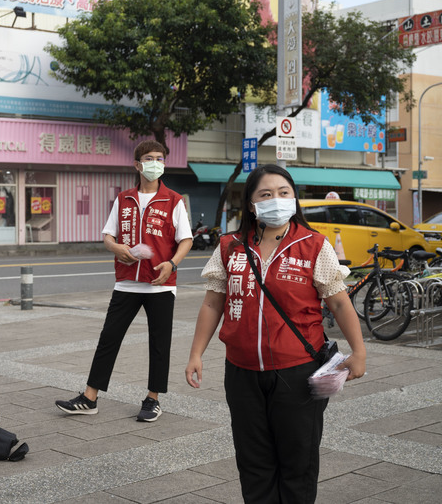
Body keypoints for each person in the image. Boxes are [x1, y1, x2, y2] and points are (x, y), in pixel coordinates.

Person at [184, 164, 366, 503]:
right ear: (252, 204)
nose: (276, 200)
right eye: (265, 194)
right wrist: (196, 354)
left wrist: (359, 351)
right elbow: (213, 304)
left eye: (284, 193)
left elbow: (340, 303)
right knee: (253, 462)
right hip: (241, 373)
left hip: (297, 371)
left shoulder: (313, 245)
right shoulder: (230, 246)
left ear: (294, 198)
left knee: (298, 461)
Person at [55, 140, 193, 422]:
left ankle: (153, 399)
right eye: (149, 158)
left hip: (160, 284)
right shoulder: (123, 199)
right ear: (137, 164)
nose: (155, 163)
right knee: (109, 339)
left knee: (159, 343)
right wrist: (116, 248)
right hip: (126, 283)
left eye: (159, 158)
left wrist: (172, 263)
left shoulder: (174, 200)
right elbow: (108, 235)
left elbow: (186, 239)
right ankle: (89, 397)